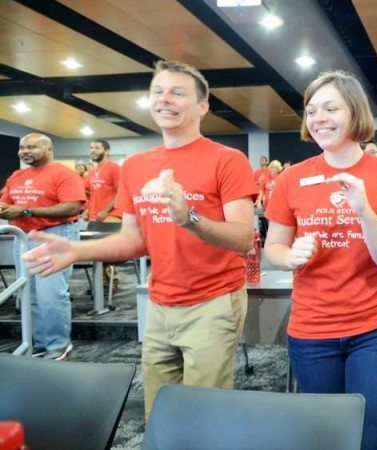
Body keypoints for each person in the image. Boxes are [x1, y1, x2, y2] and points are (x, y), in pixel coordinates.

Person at [22, 60, 257, 418]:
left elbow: (243, 238)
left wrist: (189, 218)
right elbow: (133, 240)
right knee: (158, 409)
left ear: (203, 105)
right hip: (159, 303)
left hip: (213, 302)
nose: (165, 99)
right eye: (157, 91)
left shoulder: (227, 159)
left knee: (206, 412)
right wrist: (76, 250)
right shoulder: (135, 165)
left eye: (178, 92)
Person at [264, 70, 377, 450]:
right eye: (312, 111)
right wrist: (290, 256)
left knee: (371, 435)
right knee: (324, 436)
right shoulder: (292, 179)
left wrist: (364, 211)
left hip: (374, 328)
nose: (319, 119)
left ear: (355, 113)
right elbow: (273, 249)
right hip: (311, 330)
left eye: (331, 108)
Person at [0, 133, 86, 360]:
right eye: (22, 147)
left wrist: (26, 211)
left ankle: (58, 345)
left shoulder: (64, 174)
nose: (24, 151)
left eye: (31, 147)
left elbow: (72, 208)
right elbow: (6, 202)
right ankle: (41, 342)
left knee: (51, 294)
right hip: (23, 237)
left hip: (53, 235)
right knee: (30, 294)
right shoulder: (17, 176)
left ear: (48, 149)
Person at [85, 140, 122, 223]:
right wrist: (88, 210)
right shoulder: (92, 171)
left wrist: (105, 211)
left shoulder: (115, 168)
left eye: (97, 148)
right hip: (94, 215)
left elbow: (121, 193)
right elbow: (92, 194)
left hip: (111, 215)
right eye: (91, 148)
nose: (93, 150)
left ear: (107, 151)